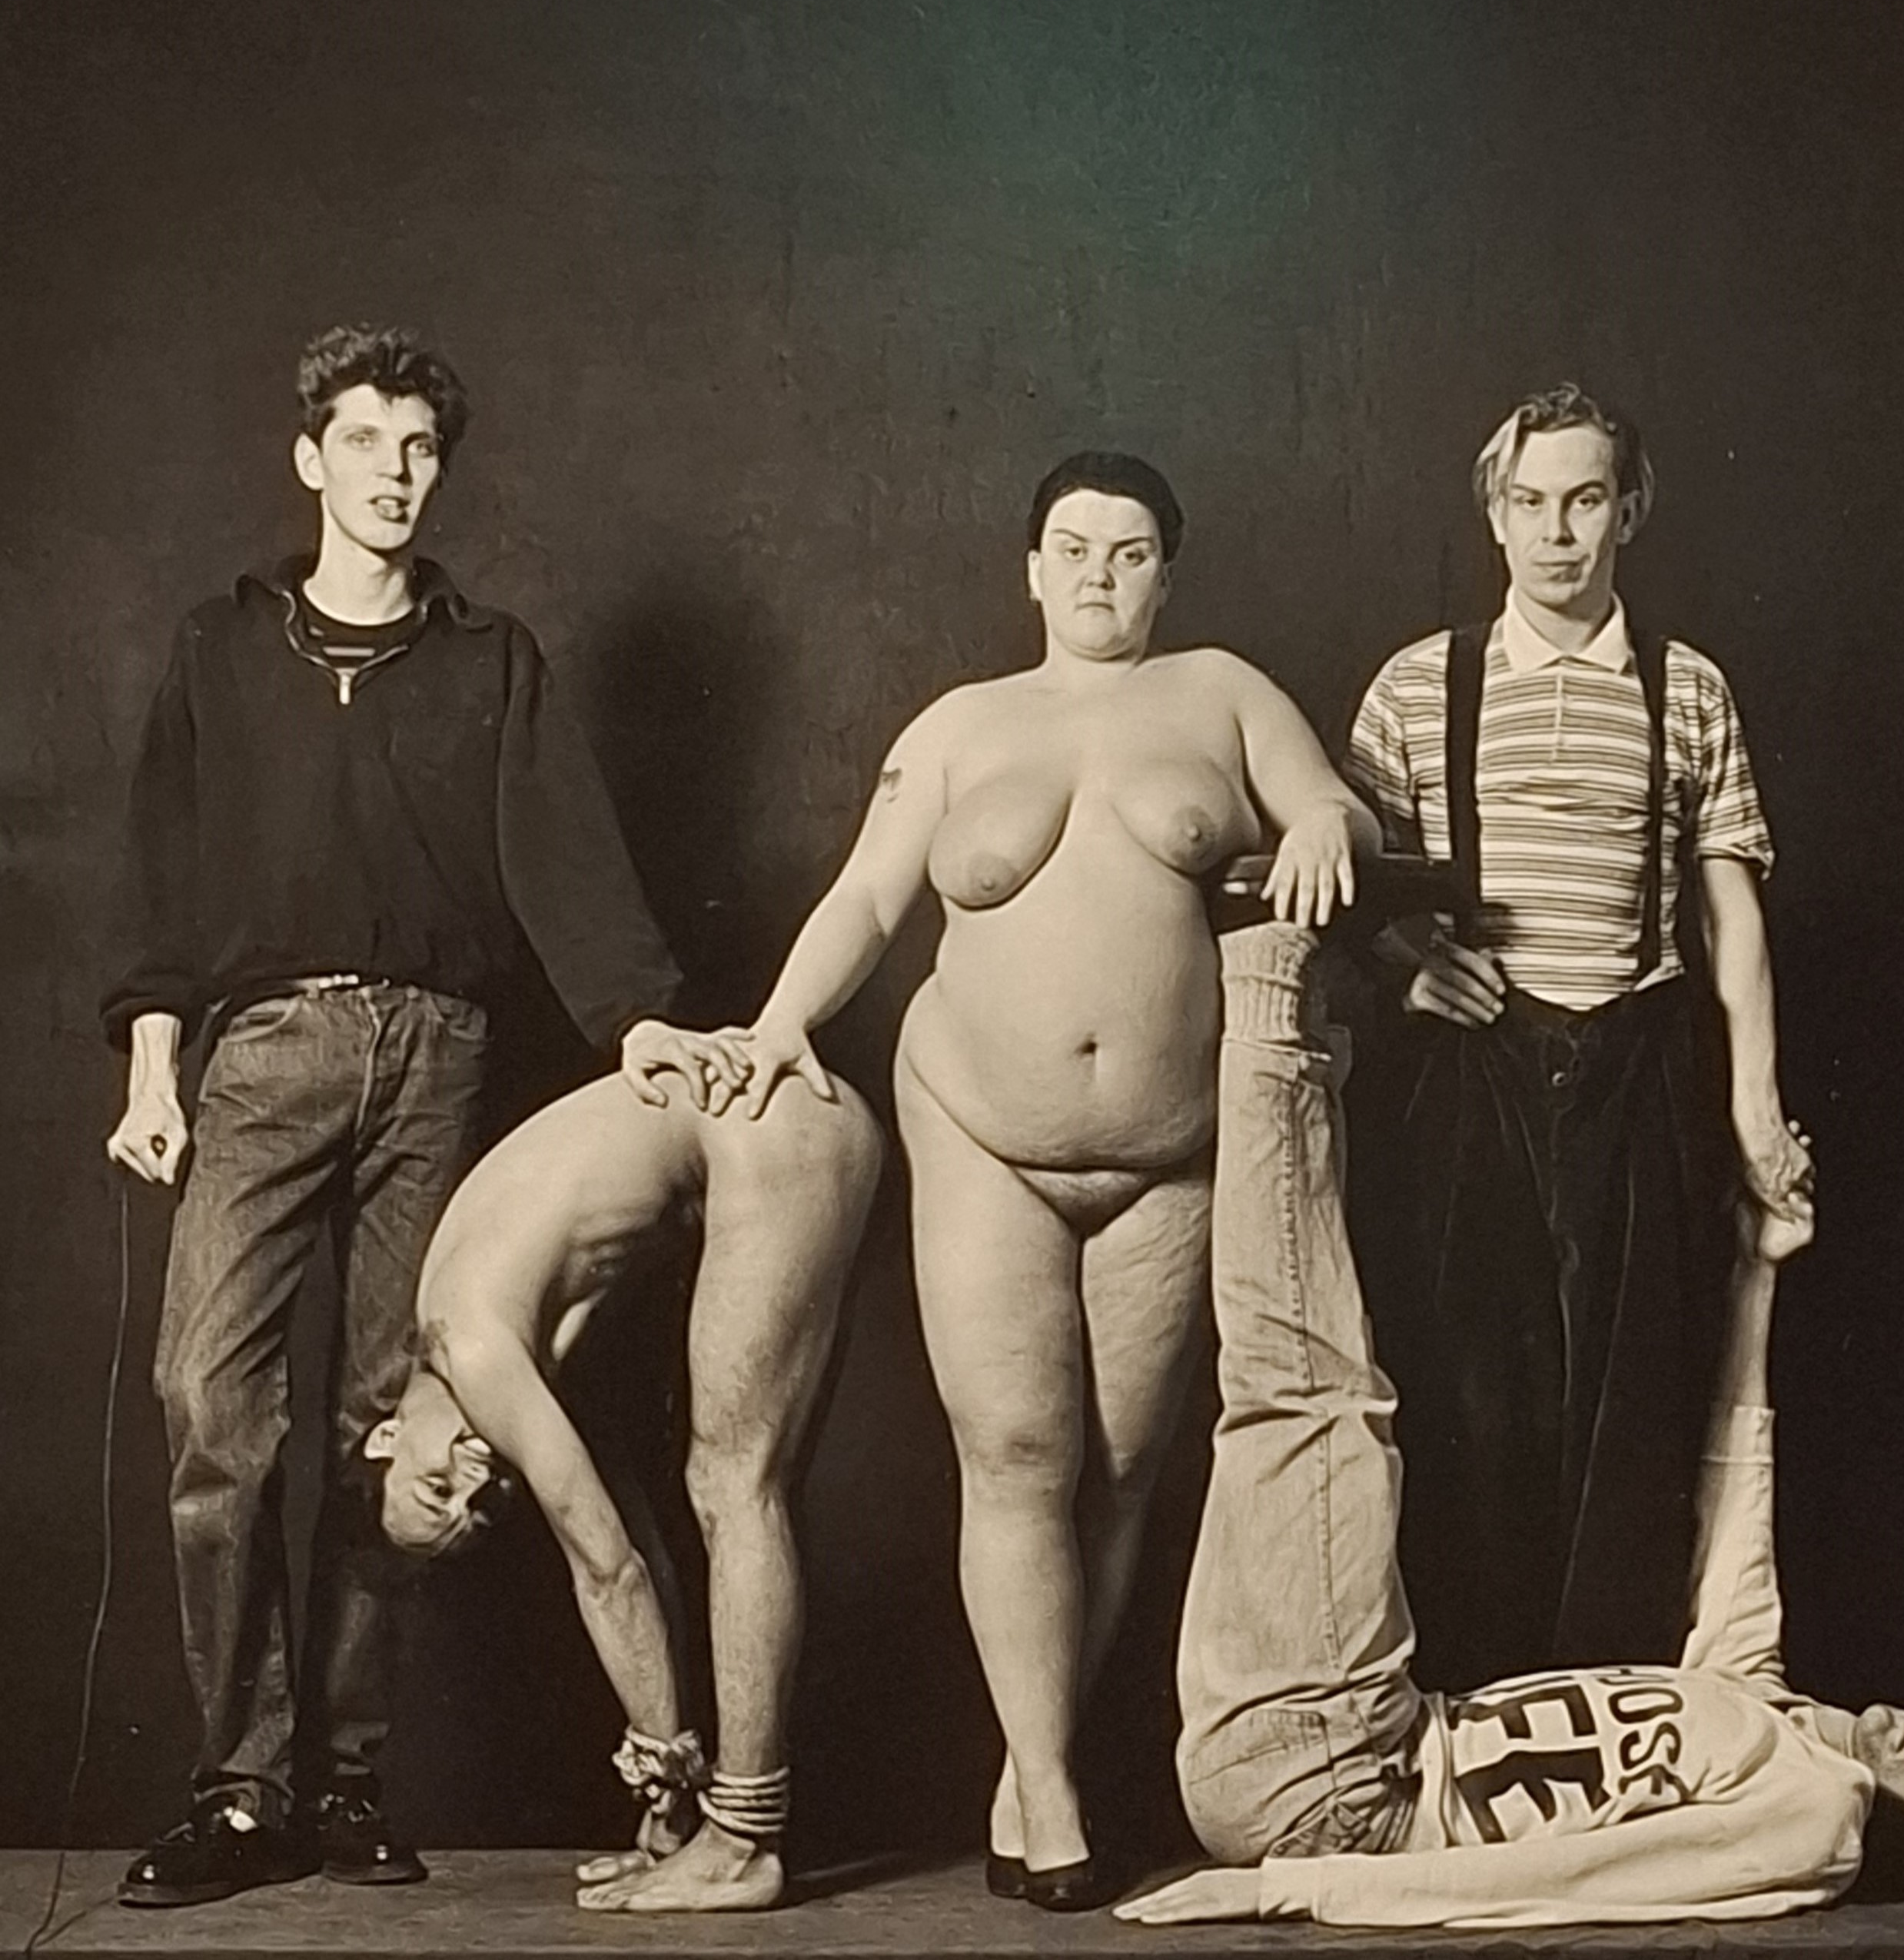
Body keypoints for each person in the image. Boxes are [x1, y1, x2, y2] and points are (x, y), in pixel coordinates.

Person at [581, 451, 1380, 1914]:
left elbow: (1335, 810)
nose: (1098, 574)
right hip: (981, 1131)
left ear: (1166, 571)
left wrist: (1327, 820)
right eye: (1072, 547)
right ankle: (1056, 1802)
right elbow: (869, 893)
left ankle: (1029, 1762)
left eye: (1128, 551)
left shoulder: (1221, 692)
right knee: (1016, 1451)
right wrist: (780, 1023)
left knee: (1119, 1472)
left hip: (1173, 1150)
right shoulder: (960, 725)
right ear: (1030, 568)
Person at [101, 325, 708, 1908]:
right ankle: (241, 1789)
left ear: (442, 471)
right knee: (210, 1402)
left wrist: (638, 1015)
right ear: (311, 457)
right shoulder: (219, 648)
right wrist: (154, 1064)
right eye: (364, 440)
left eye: (420, 447)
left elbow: (562, 853)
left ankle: (348, 1777)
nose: (394, 471)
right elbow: (165, 873)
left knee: (391, 1423)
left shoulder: (489, 657)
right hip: (263, 1050)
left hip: (440, 1056)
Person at [1114, 919, 1904, 1932]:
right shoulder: (1767, 1710)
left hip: (1349, 1796)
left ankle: (1273, 992)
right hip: (1332, 1745)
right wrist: (1759, 1268)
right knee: (1305, 1395)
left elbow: (1570, 1879)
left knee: (1314, 1399)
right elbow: (1738, 1490)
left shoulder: (1820, 1817)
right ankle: (1283, 1005)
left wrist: (1298, 1889)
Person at [1343, 384, 1813, 1685]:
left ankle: (1610, 1709)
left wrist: (1755, 1112)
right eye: (1531, 502)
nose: (1557, 533)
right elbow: (1349, 889)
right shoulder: (1418, 685)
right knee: (1470, 1395)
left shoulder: (1686, 686)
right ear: (1494, 515)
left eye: (1586, 500)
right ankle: (1476, 1709)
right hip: (1471, 1080)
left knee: (1634, 1406)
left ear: (1630, 509)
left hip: (1637, 1069)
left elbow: (1729, 914)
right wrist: (1409, 970)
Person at [364, 1060, 882, 1911]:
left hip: (771, 1125)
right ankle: (709, 1836)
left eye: (432, 1487)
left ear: (386, 1434)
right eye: (474, 1512)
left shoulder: (474, 1349)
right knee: (731, 1487)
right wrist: (666, 1812)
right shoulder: (520, 1346)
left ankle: (743, 1843)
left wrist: (661, 1771)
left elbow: (608, 1572)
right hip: (786, 1123)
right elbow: (635, 1544)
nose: (471, 1484)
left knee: (733, 1484)